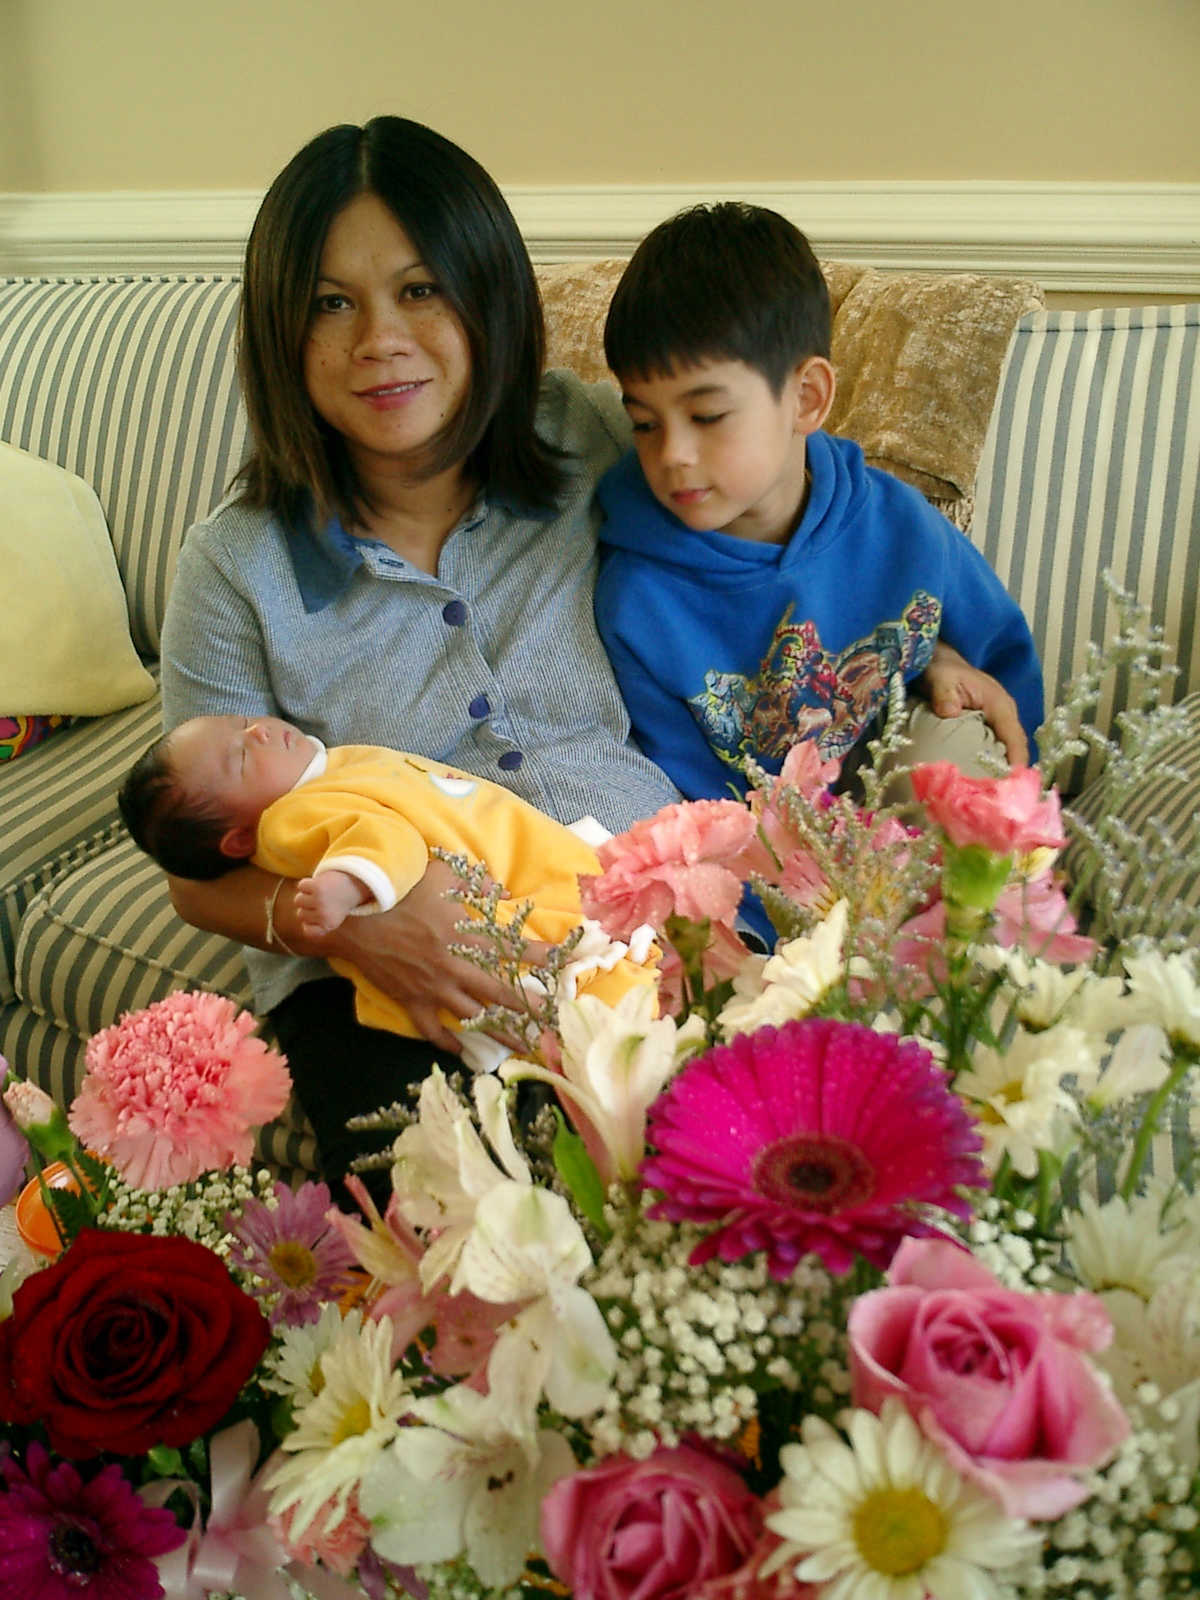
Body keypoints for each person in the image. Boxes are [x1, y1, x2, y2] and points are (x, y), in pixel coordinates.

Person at [159, 117, 1024, 1189]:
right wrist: (356, 933)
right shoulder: (235, 568)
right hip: (391, 980)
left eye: (421, 289)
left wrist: (915, 642)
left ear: (487, 295)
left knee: (796, 1178)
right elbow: (197, 873)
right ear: (280, 329)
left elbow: (779, 507)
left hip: (647, 919)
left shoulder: (586, 437)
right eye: (331, 304)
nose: (379, 338)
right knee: (469, 1230)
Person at [593, 202, 1044, 806]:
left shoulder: (903, 527)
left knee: (948, 753)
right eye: (645, 424)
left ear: (806, 397)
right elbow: (687, 801)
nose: (672, 453)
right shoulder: (635, 597)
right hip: (756, 847)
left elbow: (1005, 684)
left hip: (915, 818)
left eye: (707, 416)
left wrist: (1028, 808)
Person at [119, 715, 656, 1068]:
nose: (258, 732)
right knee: (597, 999)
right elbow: (384, 841)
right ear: (237, 841)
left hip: (524, 873)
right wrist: (346, 886)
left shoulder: (326, 770)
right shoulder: (291, 818)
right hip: (492, 921)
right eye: (239, 758)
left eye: (244, 723)